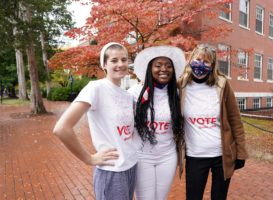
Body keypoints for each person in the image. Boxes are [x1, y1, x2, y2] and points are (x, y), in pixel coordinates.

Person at [53, 42, 137, 200]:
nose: (120, 64)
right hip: (112, 171)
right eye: (114, 60)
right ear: (104, 64)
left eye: (124, 60)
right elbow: (62, 128)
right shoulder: (96, 88)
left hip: (131, 166)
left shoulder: (127, 95)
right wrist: (89, 158)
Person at [177, 44, 248, 200]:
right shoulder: (181, 85)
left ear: (213, 65)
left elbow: (235, 120)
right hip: (195, 155)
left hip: (222, 155)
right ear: (190, 60)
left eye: (207, 62)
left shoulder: (222, 84)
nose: (201, 64)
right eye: (198, 59)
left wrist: (241, 153)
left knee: (219, 197)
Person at [128, 46, 185, 200]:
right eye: (158, 65)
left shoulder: (177, 93)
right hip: (141, 156)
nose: (163, 69)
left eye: (168, 65)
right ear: (150, 68)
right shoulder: (135, 92)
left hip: (167, 156)